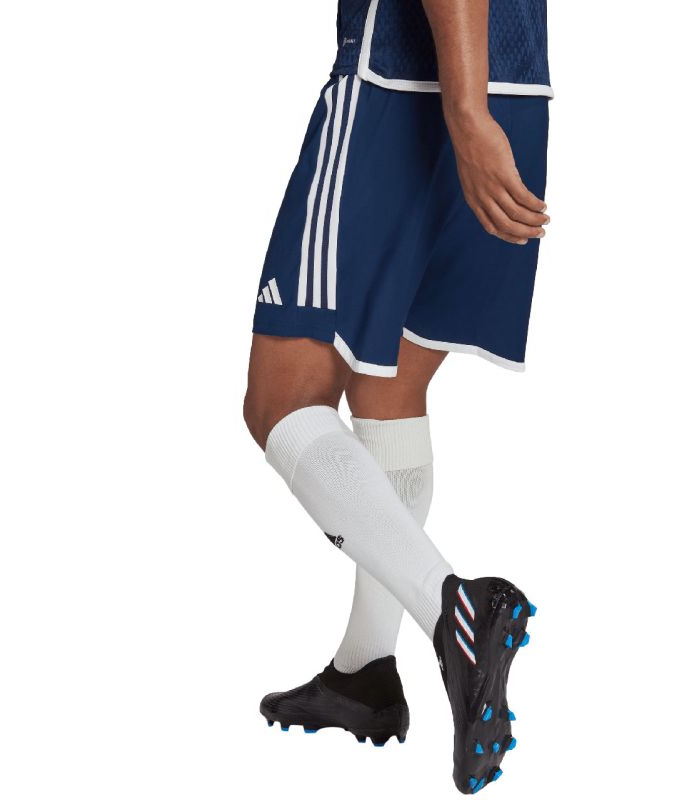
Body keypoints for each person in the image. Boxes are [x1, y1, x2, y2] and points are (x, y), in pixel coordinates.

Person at [244, 0, 550, 793]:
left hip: (401, 85)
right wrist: (479, 106)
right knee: (391, 388)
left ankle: (458, 613)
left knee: (283, 402)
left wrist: (465, 111)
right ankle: (364, 673)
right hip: (515, 87)